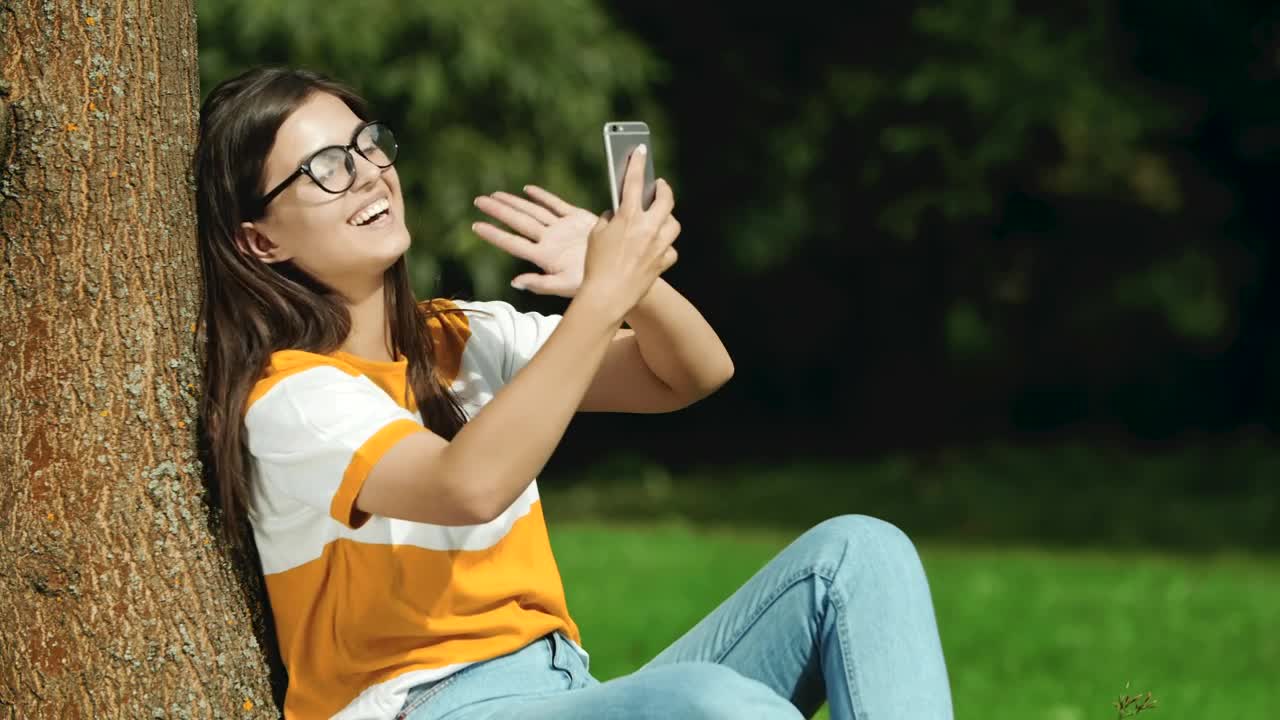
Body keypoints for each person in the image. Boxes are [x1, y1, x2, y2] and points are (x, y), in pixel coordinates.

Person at [195, 65, 954, 720]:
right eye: (324, 167)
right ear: (260, 240)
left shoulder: (461, 335)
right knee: (718, 708)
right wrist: (600, 298)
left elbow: (689, 374)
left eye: (367, 144)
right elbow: (470, 485)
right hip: (431, 705)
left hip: (564, 687)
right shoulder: (287, 396)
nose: (365, 172)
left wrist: (629, 283)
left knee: (860, 554)